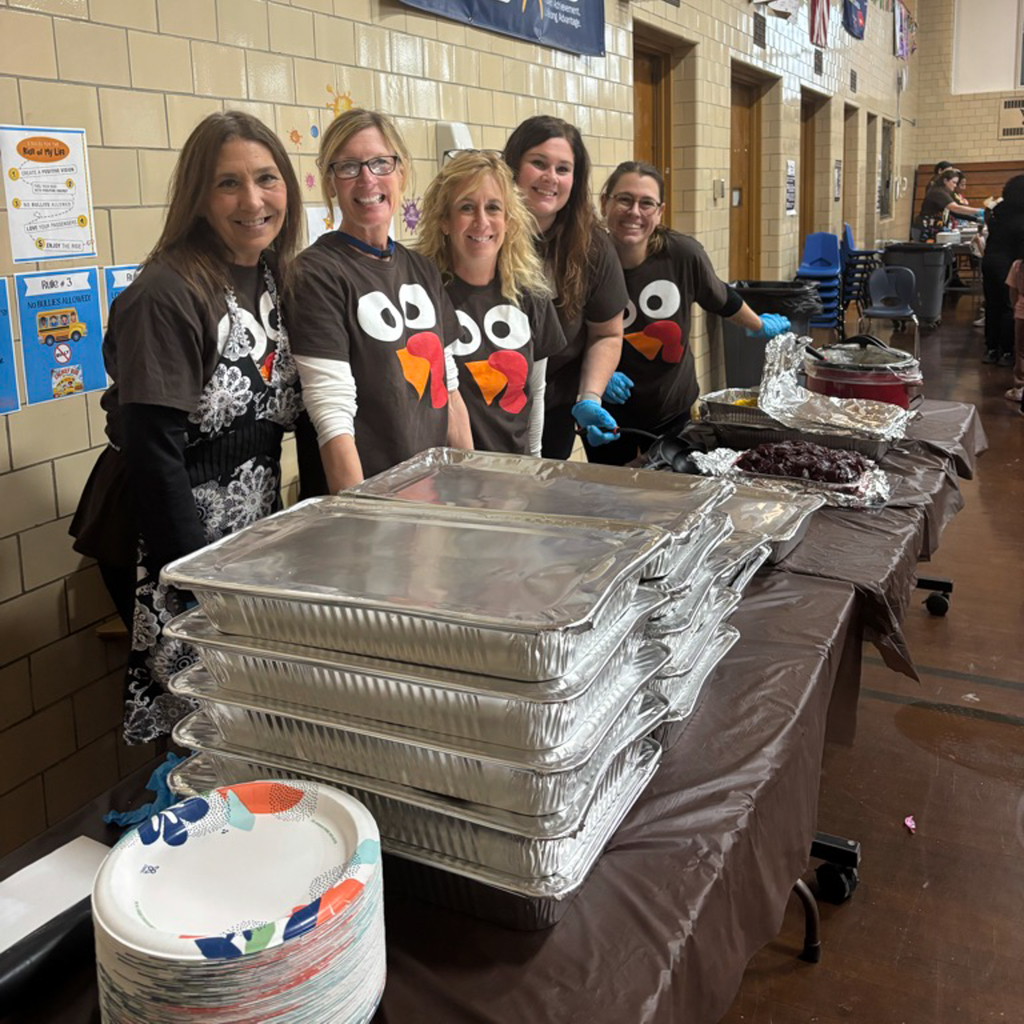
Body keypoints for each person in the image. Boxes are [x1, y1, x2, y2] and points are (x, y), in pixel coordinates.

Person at [70, 111, 306, 744]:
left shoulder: (275, 275)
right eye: (228, 183)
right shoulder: (168, 292)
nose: (253, 200)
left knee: (250, 706)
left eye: (266, 178)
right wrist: (192, 582)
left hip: (244, 526)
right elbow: (153, 455)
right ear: (199, 197)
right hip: (167, 532)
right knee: (200, 715)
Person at [287, 109, 473, 491]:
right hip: (366, 508)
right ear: (331, 183)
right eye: (349, 167)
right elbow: (332, 418)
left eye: (380, 163)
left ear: (400, 172)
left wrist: (473, 486)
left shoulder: (422, 270)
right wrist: (363, 518)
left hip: (432, 497)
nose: (367, 178)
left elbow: (449, 392)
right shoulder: (317, 274)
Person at [585, 160, 791, 466]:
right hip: (605, 411)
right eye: (624, 199)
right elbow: (565, 331)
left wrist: (757, 324)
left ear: (660, 211)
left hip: (671, 408)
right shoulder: (586, 260)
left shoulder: (681, 255)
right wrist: (592, 378)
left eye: (647, 203)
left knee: (673, 495)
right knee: (609, 495)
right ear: (605, 203)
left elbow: (721, 298)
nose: (634, 212)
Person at [415, 151, 566, 455]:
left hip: (513, 473)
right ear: (444, 220)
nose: (482, 221)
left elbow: (536, 392)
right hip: (447, 474)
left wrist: (533, 462)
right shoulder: (422, 293)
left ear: (508, 220)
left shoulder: (531, 296)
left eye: (493, 207)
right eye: (467, 207)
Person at [503, 116, 628, 458]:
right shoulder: (485, 235)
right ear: (513, 166)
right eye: (538, 163)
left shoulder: (590, 247)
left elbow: (606, 333)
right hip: (487, 404)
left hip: (555, 405)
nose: (550, 178)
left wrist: (590, 396)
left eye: (563, 169)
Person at [982, 175, 1024, 366]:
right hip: (1008, 263)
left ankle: (991, 350)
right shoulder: (1020, 214)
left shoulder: (997, 210)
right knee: (1009, 307)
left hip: (990, 261)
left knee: (992, 306)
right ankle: (1008, 352)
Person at [914, 168, 985, 242]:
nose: (955, 186)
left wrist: (976, 219)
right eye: (953, 182)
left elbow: (955, 213)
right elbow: (955, 208)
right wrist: (979, 211)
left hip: (934, 228)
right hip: (925, 228)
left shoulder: (946, 192)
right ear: (945, 181)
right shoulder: (938, 192)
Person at [1003, 254, 1024, 404]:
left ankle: (1020, 386)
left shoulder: (1018, 265)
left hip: (1022, 313)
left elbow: (1013, 291)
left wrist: (1014, 306)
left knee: (1021, 351)